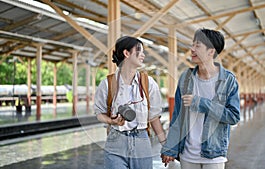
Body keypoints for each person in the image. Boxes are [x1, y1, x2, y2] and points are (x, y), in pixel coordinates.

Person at [160, 28, 240, 169]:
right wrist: (170, 147)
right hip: (188, 155)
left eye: (197, 45)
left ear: (211, 51)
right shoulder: (186, 78)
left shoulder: (228, 80)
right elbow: (177, 116)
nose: (192, 49)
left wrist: (201, 103)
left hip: (214, 155)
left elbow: (233, 116)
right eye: (193, 45)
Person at [94, 36, 166, 169]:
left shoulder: (148, 83)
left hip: (141, 141)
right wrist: (112, 121)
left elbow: (154, 117)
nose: (143, 55)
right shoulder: (107, 84)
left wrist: (165, 144)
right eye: (139, 51)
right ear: (126, 53)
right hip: (115, 141)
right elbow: (99, 113)